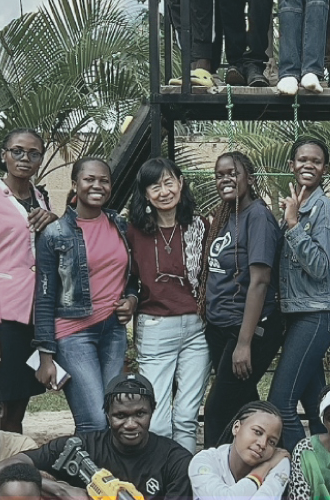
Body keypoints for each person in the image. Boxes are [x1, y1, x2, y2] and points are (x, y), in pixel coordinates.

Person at [34, 157, 139, 433]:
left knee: (114, 416)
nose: (97, 185)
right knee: (93, 420)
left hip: (113, 331)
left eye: (104, 181)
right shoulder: (54, 233)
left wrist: (131, 299)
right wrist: (46, 355)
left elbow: (132, 276)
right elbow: (44, 297)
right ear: (74, 184)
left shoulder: (121, 226)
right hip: (73, 335)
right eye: (89, 179)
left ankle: (105, 464)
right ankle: (86, 464)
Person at [0, 129, 59, 433]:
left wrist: (54, 221)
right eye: (17, 151)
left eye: (33, 153)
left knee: (18, 408)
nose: (24, 158)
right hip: (0, 321)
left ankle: (14, 463)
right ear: (4, 155)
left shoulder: (40, 198)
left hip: (33, 317)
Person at [201, 151, 286, 445]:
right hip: (220, 327)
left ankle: (211, 471)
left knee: (216, 411)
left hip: (248, 329)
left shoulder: (258, 217)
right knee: (245, 406)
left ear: (249, 178)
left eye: (233, 173)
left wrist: (244, 343)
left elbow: (260, 282)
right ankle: (269, 462)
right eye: (219, 175)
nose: (225, 179)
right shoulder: (227, 216)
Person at [127, 157, 210, 451]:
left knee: (187, 417)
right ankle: (160, 475)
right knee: (158, 420)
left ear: (180, 183)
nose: (164, 191)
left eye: (168, 182)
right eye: (155, 186)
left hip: (197, 330)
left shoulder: (200, 226)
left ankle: (182, 478)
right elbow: (127, 278)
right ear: (145, 194)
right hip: (156, 328)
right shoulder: (133, 231)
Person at [269, 139, 330, 449]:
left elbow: (319, 266)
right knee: (317, 408)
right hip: (299, 312)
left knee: (280, 403)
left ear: (325, 168)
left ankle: (302, 470)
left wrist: (293, 224)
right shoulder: (298, 206)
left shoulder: (323, 208)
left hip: (318, 312)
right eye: (302, 159)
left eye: (316, 161)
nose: (308, 165)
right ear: (292, 165)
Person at [11, 373, 195, 500]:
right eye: (120, 416)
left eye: (140, 414)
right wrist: (61, 490)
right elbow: (5, 467)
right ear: (107, 415)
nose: (130, 424)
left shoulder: (175, 460)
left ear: (152, 411)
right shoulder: (81, 447)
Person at [189, 401, 293, 498]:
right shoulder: (204, 460)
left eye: (272, 442)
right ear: (236, 427)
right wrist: (262, 470)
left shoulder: (279, 461)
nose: (262, 444)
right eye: (257, 432)